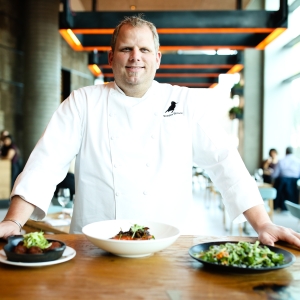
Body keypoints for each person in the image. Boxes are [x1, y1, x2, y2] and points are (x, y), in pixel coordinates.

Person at [1, 15, 300, 248]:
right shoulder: (83, 102)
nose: (135, 57)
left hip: (168, 247)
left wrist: (263, 224)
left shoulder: (183, 101)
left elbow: (226, 162)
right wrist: (14, 222)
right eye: (126, 49)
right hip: (93, 248)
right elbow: (45, 162)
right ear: (110, 57)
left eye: (144, 49)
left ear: (157, 58)